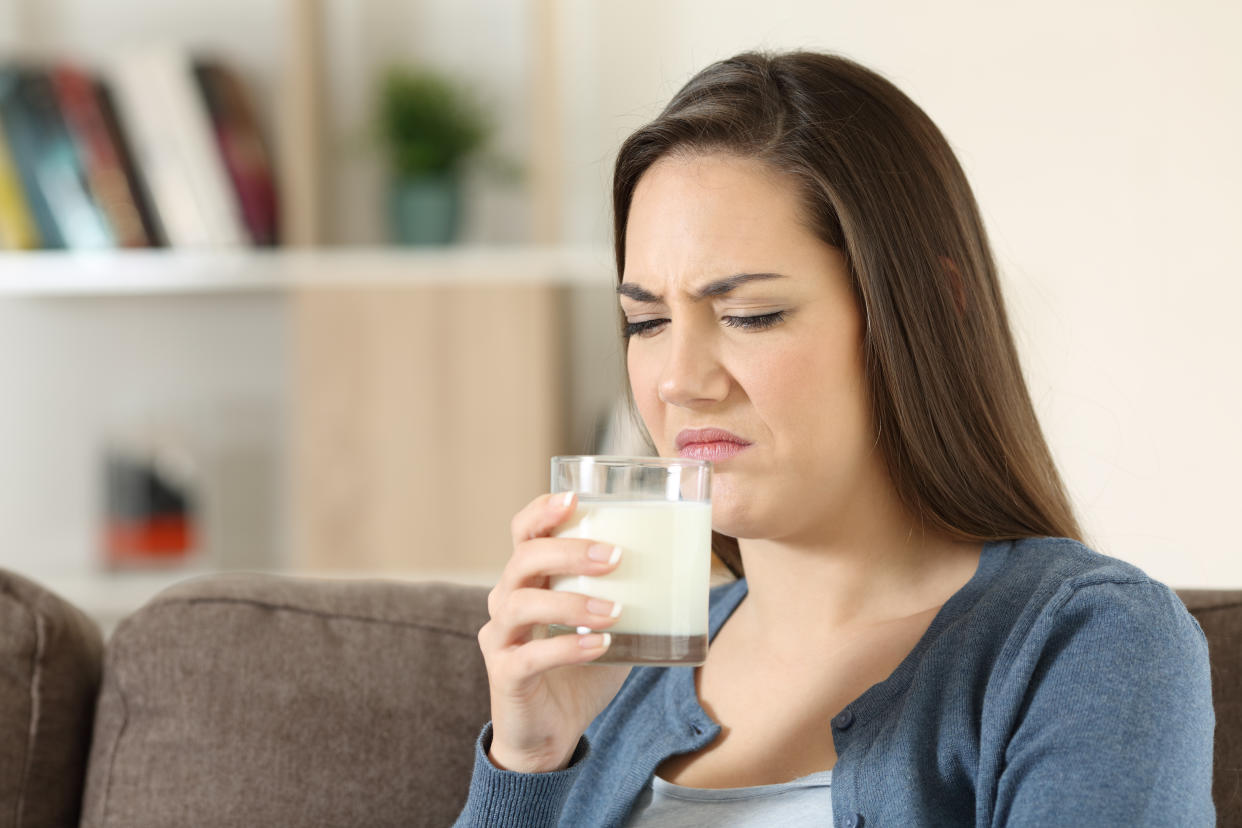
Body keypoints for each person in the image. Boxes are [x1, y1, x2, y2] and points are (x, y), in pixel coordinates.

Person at [453, 50, 1215, 827]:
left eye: (750, 315)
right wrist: (528, 768)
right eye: (647, 322)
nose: (679, 379)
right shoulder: (613, 677)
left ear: (926, 307)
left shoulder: (1088, 643)